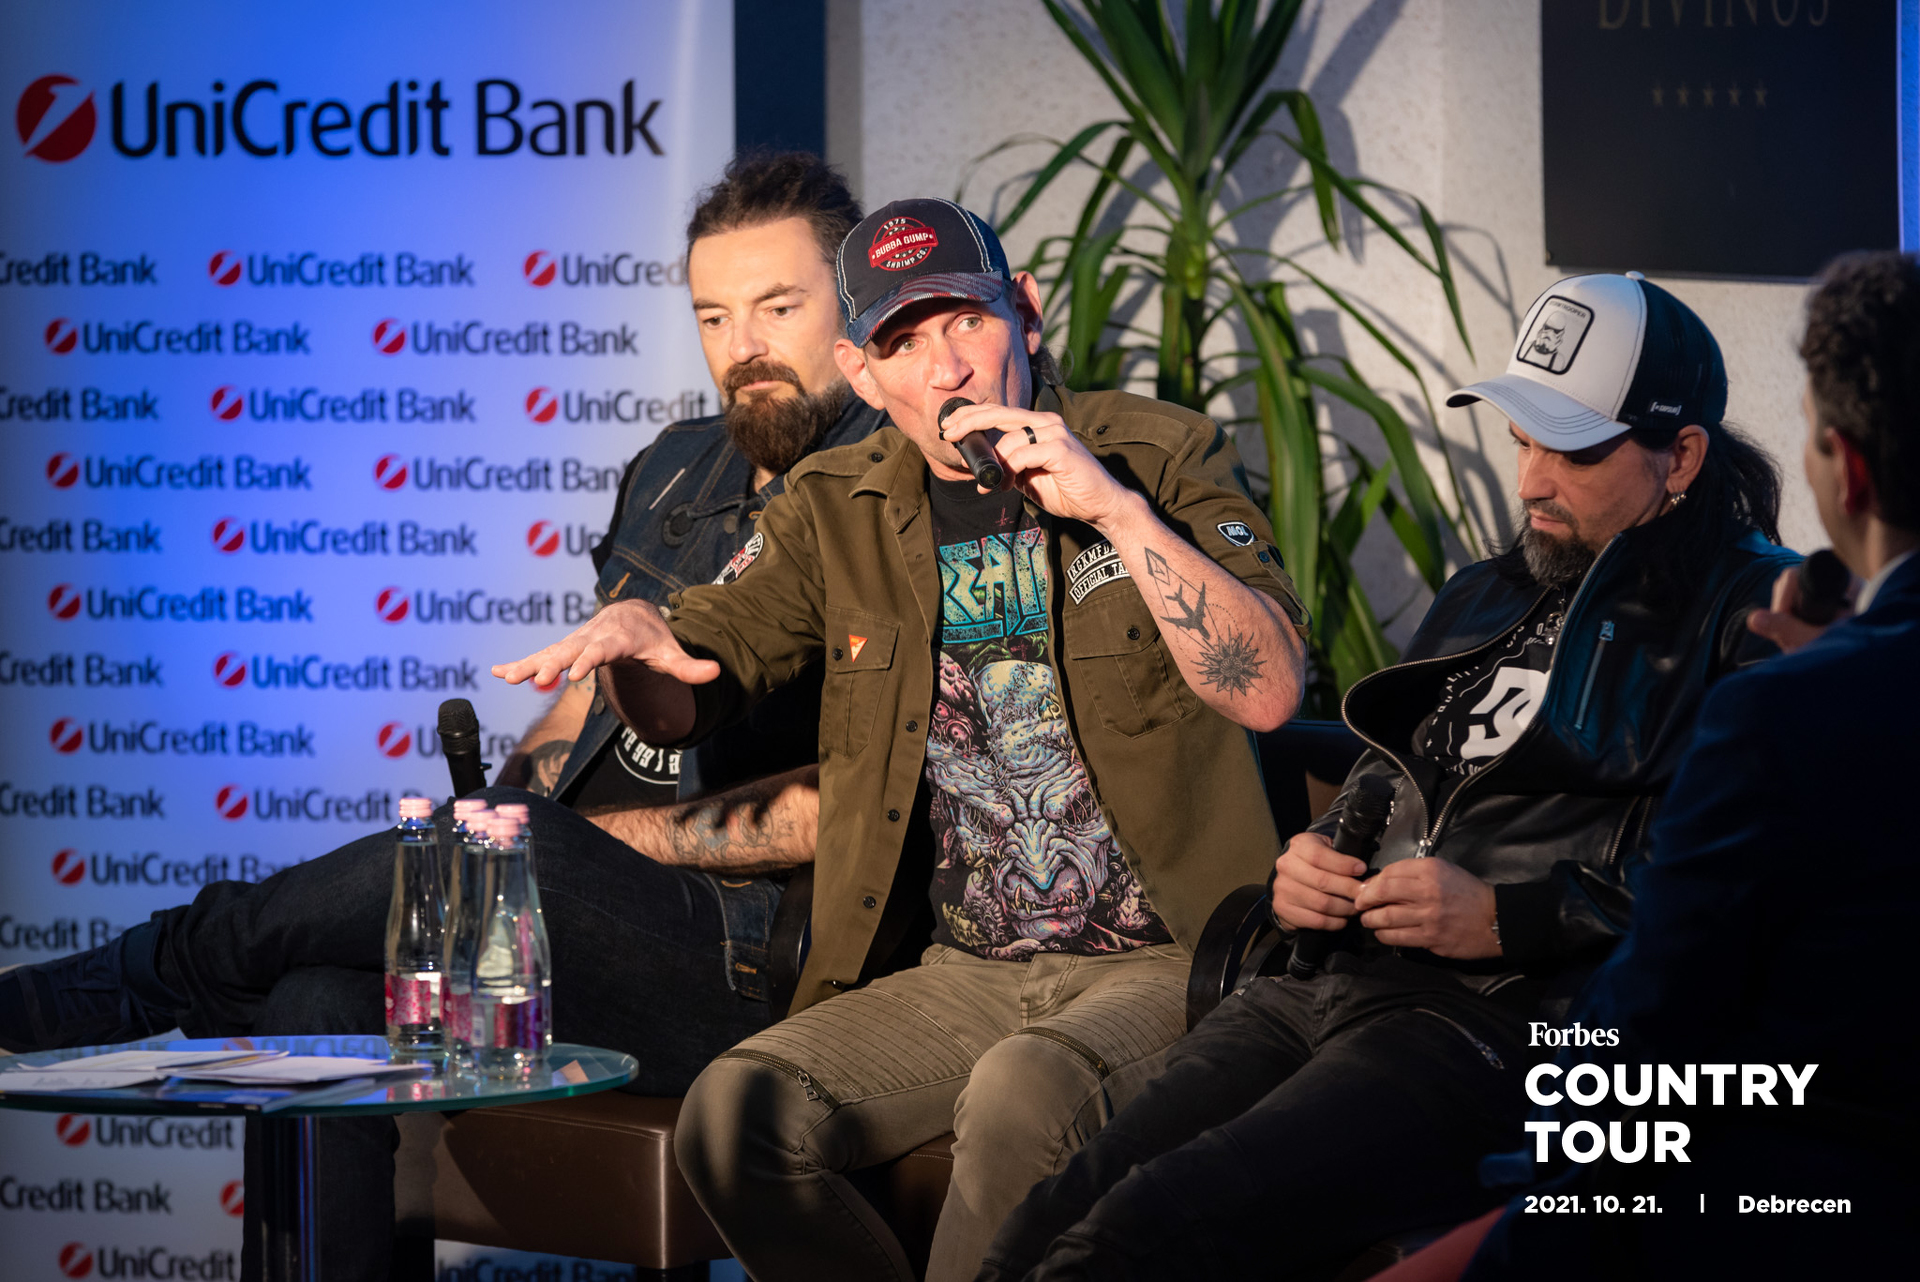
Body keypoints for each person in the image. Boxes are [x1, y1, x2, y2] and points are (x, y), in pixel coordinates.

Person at [0, 150, 878, 1282]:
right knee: (317, 1004)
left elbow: (871, 805)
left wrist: (567, 849)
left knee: (500, 851)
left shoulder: (886, 490)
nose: (743, 344)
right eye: (714, 315)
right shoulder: (677, 468)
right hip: (578, 909)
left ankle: (137, 977)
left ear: (853, 306)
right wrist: (502, 827)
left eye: (778, 307)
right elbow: (585, 698)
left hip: (754, 956)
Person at [492, 196, 1312, 1282]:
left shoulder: (1156, 453)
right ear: (862, 373)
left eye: (967, 321)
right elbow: (695, 685)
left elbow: (1270, 691)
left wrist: (1116, 511)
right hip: (962, 971)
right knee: (733, 1115)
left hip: (1170, 958)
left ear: (1025, 313)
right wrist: (640, 652)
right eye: (902, 343)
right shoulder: (837, 505)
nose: (947, 369)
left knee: (1022, 1094)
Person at [975, 272, 1800, 1282]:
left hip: (1499, 1024)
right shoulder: (1490, 587)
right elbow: (1388, 772)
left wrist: (1509, 918)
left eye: (1573, 451)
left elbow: (1751, 875)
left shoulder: (1759, 616)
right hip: (1323, 980)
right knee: (1047, 1218)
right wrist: (1314, 859)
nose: (1532, 482)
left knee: (1133, 1237)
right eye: (1522, 440)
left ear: (1682, 456)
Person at [1452, 250, 1920, 1281]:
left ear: (1846, 469)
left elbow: (1649, 1028)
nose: (1532, 480)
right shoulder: (1811, 687)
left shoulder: (1782, 706)